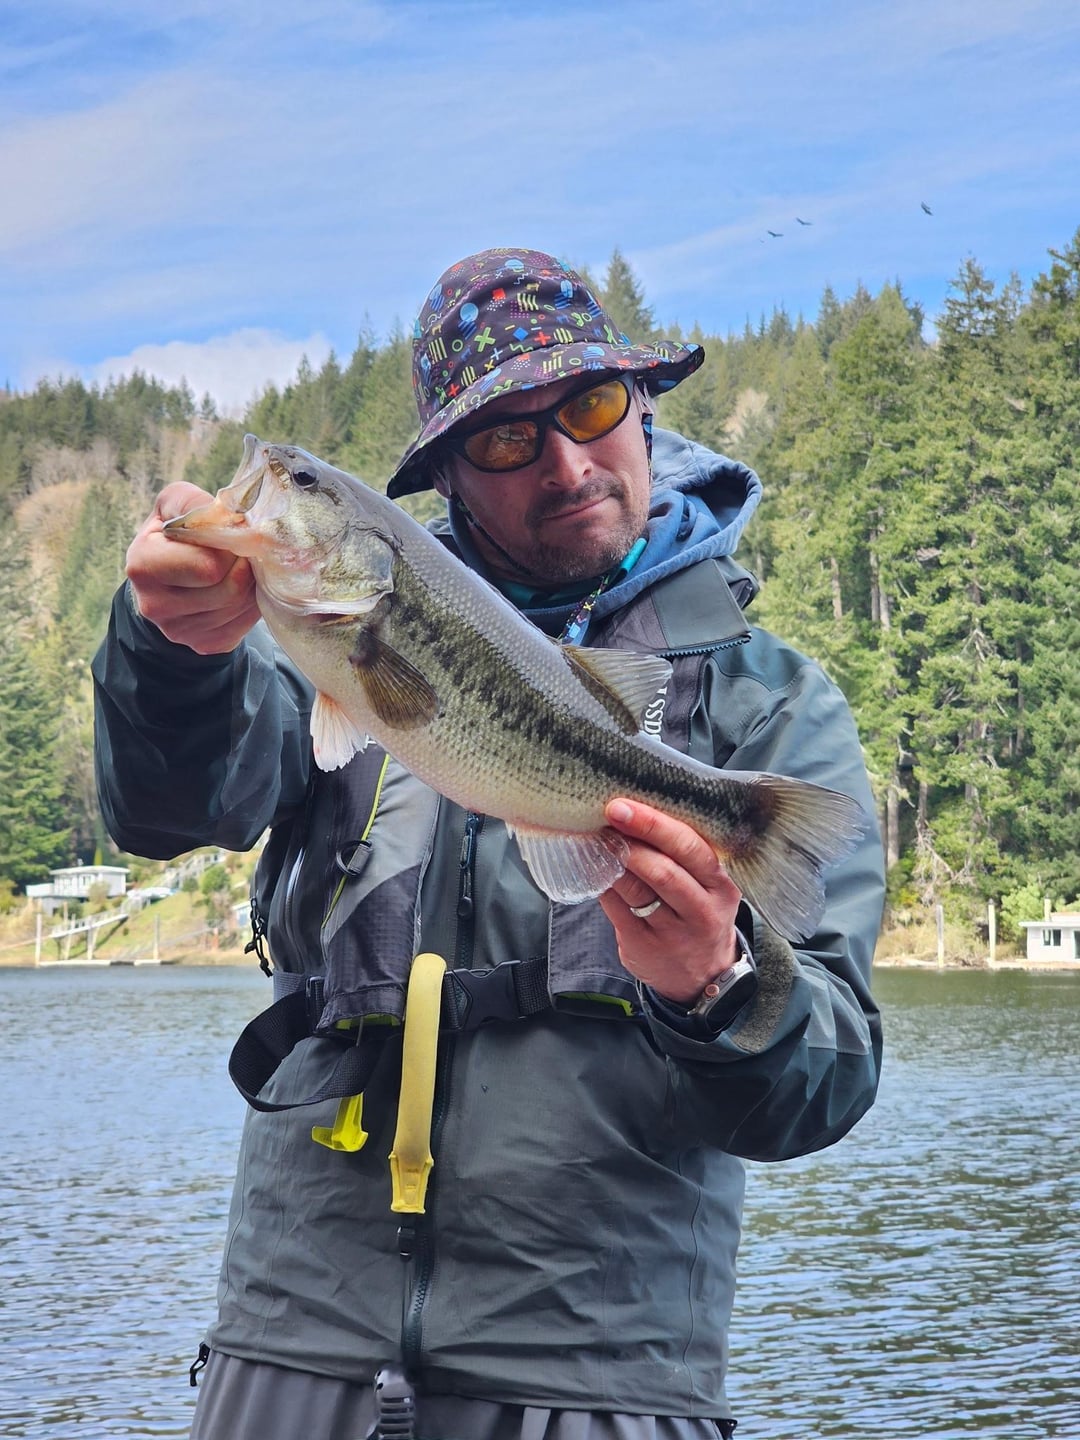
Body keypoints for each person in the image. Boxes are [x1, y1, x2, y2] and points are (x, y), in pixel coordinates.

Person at [93, 248, 885, 1440]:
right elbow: (165, 808)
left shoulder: (770, 707)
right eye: (509, 439)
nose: (566, 462)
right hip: (290, 1351)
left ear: (643, 407)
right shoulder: (318, 641)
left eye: (592, 407)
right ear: (451, 475)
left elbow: (825, 1083)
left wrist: (718, 985)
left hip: (601, 1381)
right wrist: (169, 650)